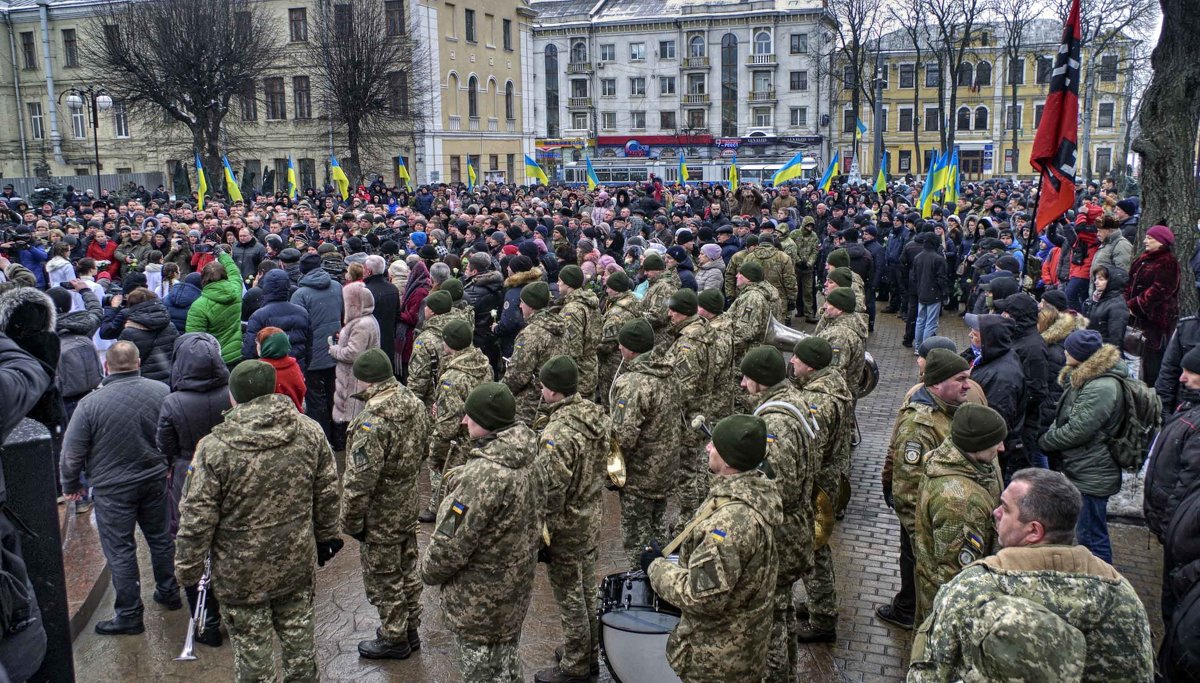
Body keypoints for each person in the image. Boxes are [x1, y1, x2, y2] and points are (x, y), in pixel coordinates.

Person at [175, 360, 343, 682]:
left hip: (241, 576)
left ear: (233, 398)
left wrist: (187, 570)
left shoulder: (213, 449)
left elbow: (196, 517)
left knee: (253, 655)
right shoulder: (309, 431)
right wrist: (326, 537)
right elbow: (327, 490)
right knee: (300, 646)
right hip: (295, 562)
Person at [908, 468, 1154, 682]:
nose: (995, 512)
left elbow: (929, 673)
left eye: (1005, 508)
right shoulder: (1122, 596)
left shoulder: (974, 588)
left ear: (1034, 531)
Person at [418, 382, 544, 683]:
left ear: (487, 423)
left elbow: (450, 543)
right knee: (508, 667)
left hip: (479, 602)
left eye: (470, 416)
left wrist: (428, 571)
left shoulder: (482, 476)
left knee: (481, 673)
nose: (463, 421)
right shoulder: (529, 457)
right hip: (514, 589)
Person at [644, 414, 781, 683]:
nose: (708, 448)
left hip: (719, 660)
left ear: (729, 461)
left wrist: (655, 568)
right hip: (743, 644)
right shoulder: (755, 492)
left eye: (714, 446)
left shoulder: (727, 526)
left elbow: (702, 598)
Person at [60, 341, 179, 634]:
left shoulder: (89, 404)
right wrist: (168, 465)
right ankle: (169, 591)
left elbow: (72, 452)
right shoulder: (161, 391)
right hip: (154, 478)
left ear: (106, 366)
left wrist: (71, 483)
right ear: (139, 362)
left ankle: (129, 615)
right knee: (161, 538)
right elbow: (171, 433)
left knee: (121, 549)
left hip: (112, 488)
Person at [339, 348, 431, 660]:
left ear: (365, 381)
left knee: (383, 576)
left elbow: (359, 481)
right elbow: (424, 449)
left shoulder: (371, 423)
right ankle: (410, 629)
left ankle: (394, 637)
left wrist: (350, 521)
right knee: (406, 568)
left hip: (379, 514)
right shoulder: (414, 404)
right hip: (406, 503)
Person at [878, 348, 973, 630]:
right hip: (925, 527)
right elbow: (907, 489)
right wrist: (920, 535)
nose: (967, 385)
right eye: (960, 379)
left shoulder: (950, 410)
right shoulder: (920, 425)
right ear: (936, 383)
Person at [532, 356, 609, 683]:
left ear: (552, 391)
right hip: (590, 515)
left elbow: (550, 492)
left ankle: (576, 664)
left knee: (569, 595)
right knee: (586, 588)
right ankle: (588, 652)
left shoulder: (557, 433)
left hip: (566, 525)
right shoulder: (595, 415)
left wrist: (540, 534)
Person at [739, 346, 813, 681]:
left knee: (770, 620)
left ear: (763, 380)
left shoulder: (775, 424)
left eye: (747, 377)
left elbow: (777, 489)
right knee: (782, 613)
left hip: (782, 533)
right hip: (795, 527)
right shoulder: (792, 400)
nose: (742, 384)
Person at [912, 403, 1005, 625]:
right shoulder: (959, 502)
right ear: (976, 445)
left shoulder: (971, 465)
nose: (1001, 447)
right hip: (951, 606)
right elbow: (955, 576)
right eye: (995, 441)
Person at [1039, 329, 1125, 564]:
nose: (1064, 351)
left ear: (1082, 355)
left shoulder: (1101, 387)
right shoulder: (1087, 377)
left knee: (1092, 535)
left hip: (1093, 471)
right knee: (1087, 530)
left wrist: (1046, 441)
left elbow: (1079, 429)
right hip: (1086, 465)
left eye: (1070, 348)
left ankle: (1103, 581)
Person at [609, 319, 682, 567]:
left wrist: (610, 473)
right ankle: (664, 581)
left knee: (636, 541)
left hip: (640, 475)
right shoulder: (669, 372)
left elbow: (623, 437)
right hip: (665, 468)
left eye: (623, 344)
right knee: (658, 530)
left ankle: (644, 589)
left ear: (631, 348)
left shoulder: (632, 383)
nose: (619, 347)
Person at [1144, 346, 1200, 619]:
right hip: (1173, 526)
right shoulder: (1189, 407)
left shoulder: (1197, 424)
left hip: (1181, 531)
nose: (1182, 377)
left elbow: (1188, 483)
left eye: (1190, 371)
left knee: (1176, 602)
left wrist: (1170, 526)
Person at [422, 319, 492, 522]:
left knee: (453, 501)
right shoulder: (483, 363)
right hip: (481, 438)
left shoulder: (452, 379)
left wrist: (434, 455)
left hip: (459, 445)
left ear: (449, 343)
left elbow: (447, 426)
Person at [663, 288, 720, 528]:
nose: (669, 314)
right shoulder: (704, 330)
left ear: (684, 313)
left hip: (687, 414)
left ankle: (688, 519)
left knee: (686, 469)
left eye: (673, 311)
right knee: (696, 463)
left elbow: (683, 385)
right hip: (701, 406)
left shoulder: (688, 343)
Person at [963, 313, 1027, 478]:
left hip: (988, 453)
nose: (970, 335)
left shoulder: (1002, 378)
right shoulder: (993, 358)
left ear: (989, 340)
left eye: (975, 334)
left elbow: (995, 421)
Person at [291, 253, 342, 441]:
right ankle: (339, 438)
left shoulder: (300, 294)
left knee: (315, 398)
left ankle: (322, 439)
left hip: (312, 355)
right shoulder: (337, 287)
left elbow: (297, 327)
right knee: (335, 394)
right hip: (335, 351)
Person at [502, 281, 566, 424]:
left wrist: (500, 392)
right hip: (556, 398)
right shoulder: (560, 325)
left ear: (531, 306)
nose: (520, 306)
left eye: (522, 302)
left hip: (531, 405)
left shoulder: (531, 334)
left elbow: (518, 375)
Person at [1126, 224, 1181, 384]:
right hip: (1136, 319)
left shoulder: (1168, 263)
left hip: (1155, 321)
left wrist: (1134, 305)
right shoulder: (1143, 259)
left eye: (1149, 238)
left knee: (1150, 361)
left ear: (1161, 241)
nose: (1145, 241)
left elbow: (1160, 290)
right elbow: (1129, 283)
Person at [329, 281, 380, 449]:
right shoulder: (366, 320)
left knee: (353, 421)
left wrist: (334, 349)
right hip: (357, 379)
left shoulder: (361, 325)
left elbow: (353, 353)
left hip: (355, 382)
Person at [242, 269, 311, 371]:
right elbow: (309, 347)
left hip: (269, 374)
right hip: (296, 369)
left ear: (266, 287)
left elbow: (250, 351)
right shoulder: (302, 312)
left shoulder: (258, 316)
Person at [185, 245, 243, 366]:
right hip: (237, 353)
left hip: (214, 360)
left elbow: (194, 340)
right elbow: (233, 271)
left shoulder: (199, 306)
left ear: (203, 279)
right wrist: (222, 254)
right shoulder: (236, 290)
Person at [556, 265, 601, 400]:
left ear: (568, 285)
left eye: (560, 280)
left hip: (578, 373)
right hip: (590, 366)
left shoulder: (572, 309)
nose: (557, 283)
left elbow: (572, 348)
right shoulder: (589, 303)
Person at [596, 270, 639, 405]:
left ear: (617, 289)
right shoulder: (633, 301)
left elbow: (606, 344)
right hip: (628, 360)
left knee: (610, 401)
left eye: (609, 288)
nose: (607, 291)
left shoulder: (617, 315)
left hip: (613, 364)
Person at [911, 232, 948, 349]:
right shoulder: (939, 259)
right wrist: (945, 293)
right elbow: (942, 279)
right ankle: (925, 348)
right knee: (931, 323)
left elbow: (914, 277)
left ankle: (917, 346)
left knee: (920, 320)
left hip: (921, 292)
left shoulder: (918, 257)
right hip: (934, 294)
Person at [255, 328, 306, 410]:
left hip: (271, 419)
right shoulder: (294, 366)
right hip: (295, 415)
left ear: (267, 346)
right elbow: (301, 390)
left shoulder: (260, 371)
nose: (256, 347)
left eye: (258, 344)